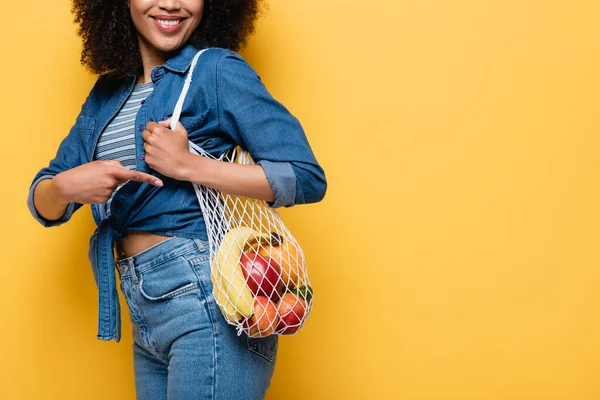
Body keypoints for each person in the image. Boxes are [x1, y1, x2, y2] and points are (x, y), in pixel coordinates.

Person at [26, 0, 327, 398]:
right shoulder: (107, 93)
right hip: (141, 302)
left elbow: (305, 176)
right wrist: (67, 187)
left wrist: (189, 166)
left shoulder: (216, 70)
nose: (170, 2)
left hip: (208, 294)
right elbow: (42, 198)